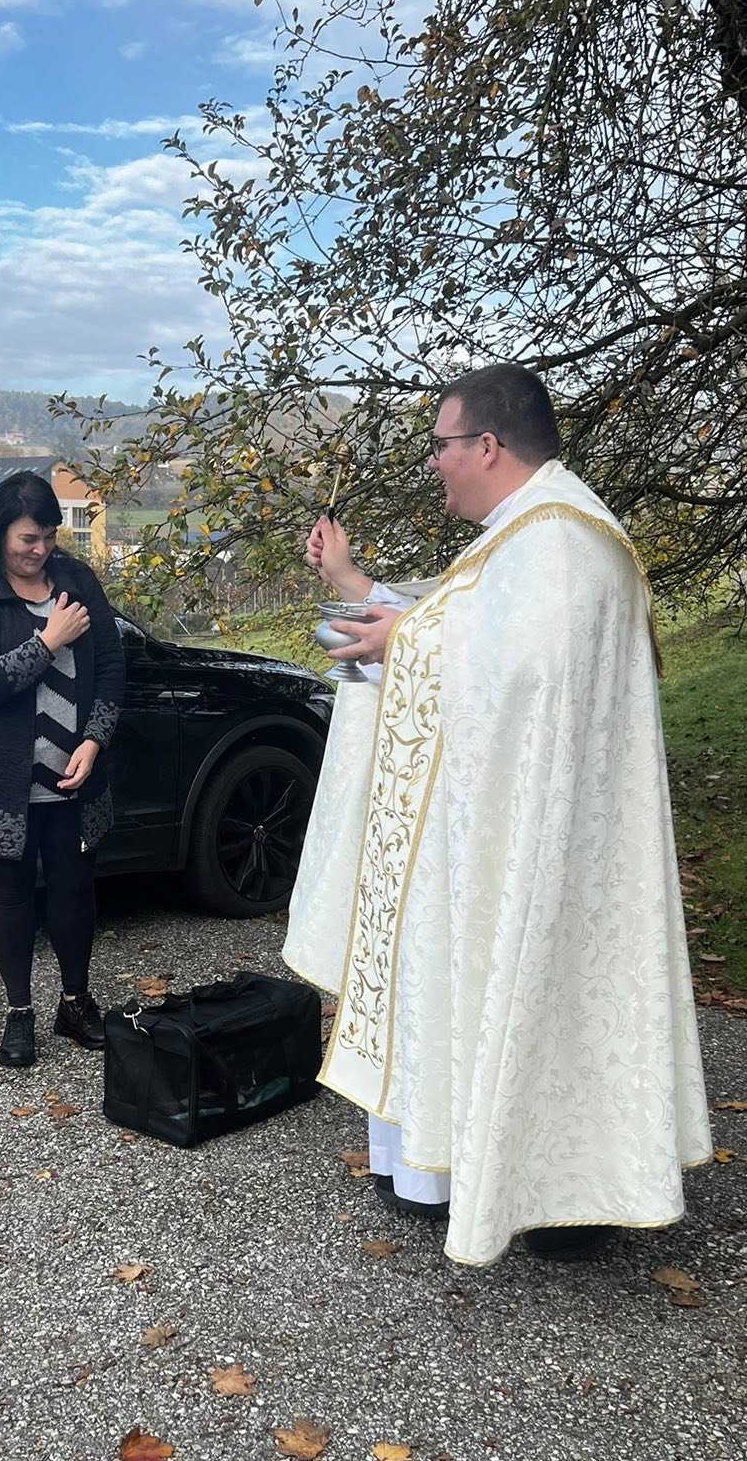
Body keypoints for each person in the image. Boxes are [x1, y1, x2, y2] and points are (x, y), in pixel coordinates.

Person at [283, 364, 712, 1264]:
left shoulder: (560, 543)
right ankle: (491, 1181)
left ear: (486, 445)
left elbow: (513, 665)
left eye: (441, 445)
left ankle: (563, 1201)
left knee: (545, 1000)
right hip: (527, 821)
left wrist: (401, 640)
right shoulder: (528, 533)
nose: (434, 463)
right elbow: (465, 625)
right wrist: (356, 583)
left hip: (546, 842)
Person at [0, 472, 126, 1069]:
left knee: (74, 890)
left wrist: (94, 739)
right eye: (28, 538)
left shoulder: (77, 581)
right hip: (0, 783)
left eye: (48, 536)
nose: (40, 549)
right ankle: (19, 1012)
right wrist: (48, 641)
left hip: (74, 776)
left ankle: (75, 1003)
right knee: (11, 893)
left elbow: (111, 665)